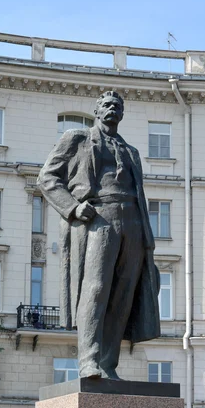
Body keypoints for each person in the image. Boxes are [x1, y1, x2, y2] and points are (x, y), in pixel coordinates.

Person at [38, 91, 160, 379]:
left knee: (123, 295)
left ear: (123, 113)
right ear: (96, 110)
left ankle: (108, 364)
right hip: (98, 218)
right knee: (95, 288)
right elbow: (47, 178)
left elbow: (140, 195)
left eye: (117, 106)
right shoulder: (77, 139)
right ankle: (88, 361)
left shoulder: (131, 152)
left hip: (132, 222)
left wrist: (146, 240)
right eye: (106, 105)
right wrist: (73, 207)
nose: (112, 109)